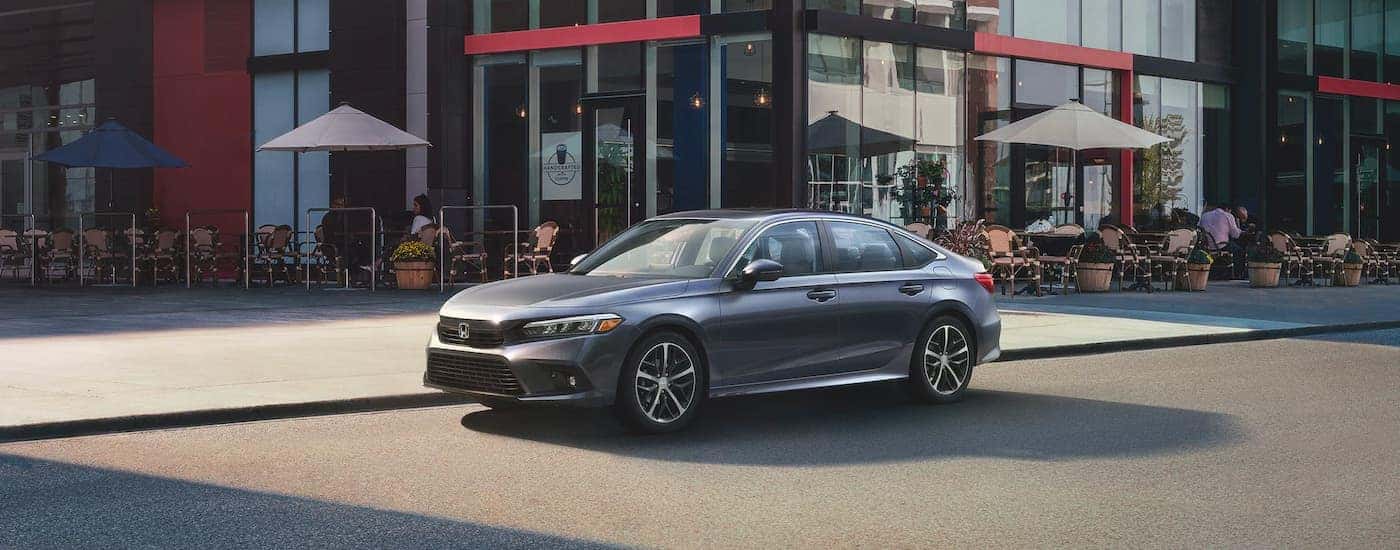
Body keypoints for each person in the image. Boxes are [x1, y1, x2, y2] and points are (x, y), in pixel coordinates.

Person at [1199, 203, 1245, 278]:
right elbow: (1235, 235)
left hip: (1206, 246)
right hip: (1221, 245)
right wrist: (1241, 231)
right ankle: (1237, 274)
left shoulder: (1205, 215)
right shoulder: (1227, 215)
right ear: (1227, 209)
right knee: (1239, 251)